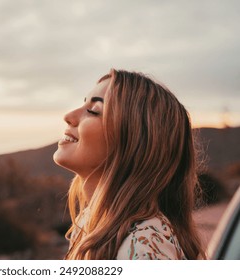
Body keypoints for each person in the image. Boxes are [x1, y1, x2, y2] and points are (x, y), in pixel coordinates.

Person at [53, 68, 206, 260]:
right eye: (84, 104)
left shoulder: (143, 248)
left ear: (134, 143)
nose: (69, 115)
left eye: (93, 111)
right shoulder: (94, 224)